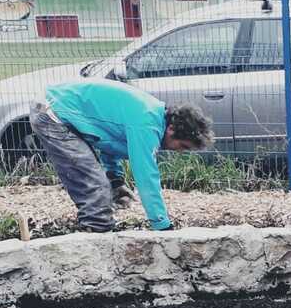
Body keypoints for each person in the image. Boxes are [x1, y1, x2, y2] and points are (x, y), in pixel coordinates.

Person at [30, 78, 213, 232]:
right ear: (172, 129)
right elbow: (146, 177)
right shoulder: (147, 125)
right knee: (96, 190)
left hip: (55, 107)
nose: (180, 151)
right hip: (54, 113)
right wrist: (162, 226)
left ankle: (99, 236)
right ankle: (95, 247)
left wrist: (115, 180)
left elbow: (109, 141)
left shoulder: (152, 117)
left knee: (101, 186)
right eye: (182, 145)